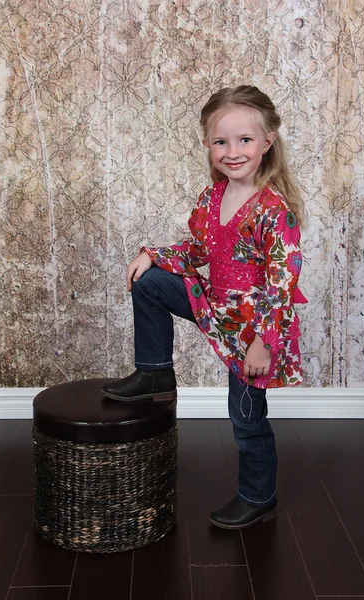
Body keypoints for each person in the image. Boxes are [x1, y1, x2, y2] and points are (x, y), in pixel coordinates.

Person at [102, 84, 307, 529]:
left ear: (267, 142)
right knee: (150, 281)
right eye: (221, 141)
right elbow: (197, 253)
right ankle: (155, 371)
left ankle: (258, 496)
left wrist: (262, 345)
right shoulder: (211, 198)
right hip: (216, 308)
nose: (233, 151)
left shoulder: (274, 210)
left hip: (254, 327)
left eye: (245, 140)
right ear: (207, 145)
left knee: (246, 417)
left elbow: (282, 285)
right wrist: (154, 255)